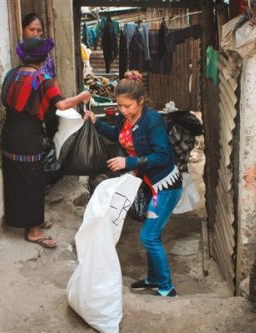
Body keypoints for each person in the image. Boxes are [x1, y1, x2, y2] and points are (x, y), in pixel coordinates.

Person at [84, 70, 182, 297]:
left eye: (128, 106)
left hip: (165, 186)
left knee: (148, 236)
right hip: (147, 183)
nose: (123, 111)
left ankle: (167, 287)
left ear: (141, 101)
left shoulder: (153, 121)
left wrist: (128, 161)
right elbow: (115, 134)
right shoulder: (125, 118)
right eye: (120, 106)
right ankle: (153, 279)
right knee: (151, 235)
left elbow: (163, 156)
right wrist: (96, 122)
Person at [1, 37, 90, 248]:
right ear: (43, 58)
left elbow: (5, 100)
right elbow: (61, 104)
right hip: (28, 137)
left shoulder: (12, 75)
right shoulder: (42, 80)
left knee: (17, 180)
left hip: (10, 134)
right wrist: (81, 96)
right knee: (33, 182)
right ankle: (33, 231)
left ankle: (32, 221)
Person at [21, 12, 56, 78]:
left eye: (39, 30)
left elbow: (53, 80)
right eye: (31, 29)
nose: (35, 34)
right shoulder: (19, 53)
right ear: (22, 30)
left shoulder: (46, 58)